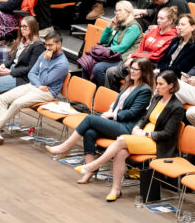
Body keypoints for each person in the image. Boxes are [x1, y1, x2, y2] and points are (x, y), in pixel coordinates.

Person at [73, 70, 185, 202]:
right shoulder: (157, 98)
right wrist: (138, 126)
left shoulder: (177, 107)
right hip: (142, 135)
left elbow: (168, 133)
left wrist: (146, 133)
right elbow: (145, 117)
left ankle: (92, 166)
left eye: (161, 84)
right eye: (157, 83)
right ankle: (116, 189)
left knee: (121, 140)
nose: (158, 87)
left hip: (157, 143)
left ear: (171, 85)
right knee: (120, 153)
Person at [47, 58, 154, 166]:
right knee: (89, 133)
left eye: (136, 69)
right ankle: (89, 170)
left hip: (126, 127)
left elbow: (132, 113)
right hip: (116, 122)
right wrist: (108, 113)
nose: (132, 71)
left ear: (144, 72)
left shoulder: (145, 90)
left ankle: (65, 146)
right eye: (131, 68)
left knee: (90, 118)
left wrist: (112, 115)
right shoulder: (130, 84)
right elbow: (118, 104)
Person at [0, 30, 69, 145]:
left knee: (17, 103)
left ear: (59, 44)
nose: (48, 48)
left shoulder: (62, 64)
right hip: (35, 85)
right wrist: (38, 84)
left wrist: (46, 62)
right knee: (3, 98)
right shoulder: (45, 54)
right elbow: (32, 73)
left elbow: (45, 80)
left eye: (51, 45)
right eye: (46, 45)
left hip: (47, 93)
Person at [103, 7, 179, 89]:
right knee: (110, 72)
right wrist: (133, 56)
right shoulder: (154, 31)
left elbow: (157, 55)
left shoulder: (172, 37)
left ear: (170, 21)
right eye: (158, 18)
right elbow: (141, 46)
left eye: (162, 18)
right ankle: (112, 96)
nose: (158, 20)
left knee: (130, 77)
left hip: (150, 65)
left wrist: (135, 57)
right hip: (137, 59)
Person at [83, 1, 143, 85]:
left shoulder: (134, 27)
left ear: (128, 12)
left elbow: (123, 47)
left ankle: (102, 92)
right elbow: (103, 40)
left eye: (120, 10)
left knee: (98, 68)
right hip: (111, 55)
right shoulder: (119, 23)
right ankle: (87, 89)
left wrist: (104, 50)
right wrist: (110, 26)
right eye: (116, 11)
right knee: (86, 61)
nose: (117, 13)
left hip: (122, 57)